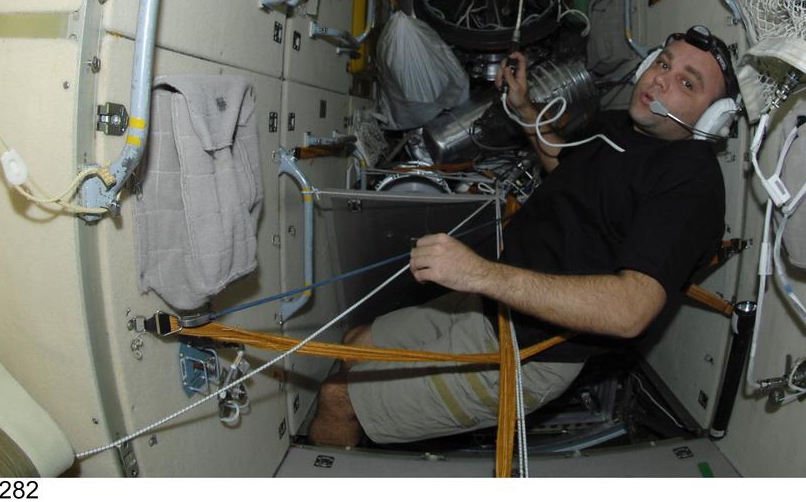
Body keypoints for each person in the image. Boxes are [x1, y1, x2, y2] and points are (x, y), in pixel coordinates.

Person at [308, 25, 740, 447]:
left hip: (529, 350)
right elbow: (567, 167)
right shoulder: (620, 125)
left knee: (338, 399)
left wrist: (477, 274)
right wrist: (525, 108)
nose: (660, 79)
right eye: (662, 63)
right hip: (491, 296)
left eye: (686, 82)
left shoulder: (691, 186)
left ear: (711, 118)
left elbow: (631, 310)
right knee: (354, 343)